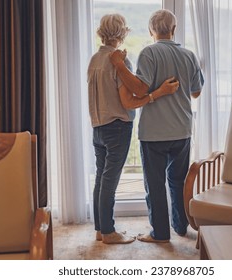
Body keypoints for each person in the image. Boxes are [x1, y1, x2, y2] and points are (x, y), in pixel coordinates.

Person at [110, 9, 204, 243]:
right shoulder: (189, 55)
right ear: (173, 30)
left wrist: (121, 67)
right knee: (178, 181)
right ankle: (180, 226)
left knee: (155, 185)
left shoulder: (148, 53)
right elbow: (196, 92)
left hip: (153, 134)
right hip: (182, 130)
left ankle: (160, 234)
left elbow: (140, 90)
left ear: (152, 31)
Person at [88, 13, 179, 245]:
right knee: (110, 180)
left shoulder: (94, 60)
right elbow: (130, 102)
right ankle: (109, 232)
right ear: (123, 33)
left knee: (101, 177)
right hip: (117, 127)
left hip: (97, 127)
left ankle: (100, 229)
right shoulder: (120, 62)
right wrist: (155, 95)